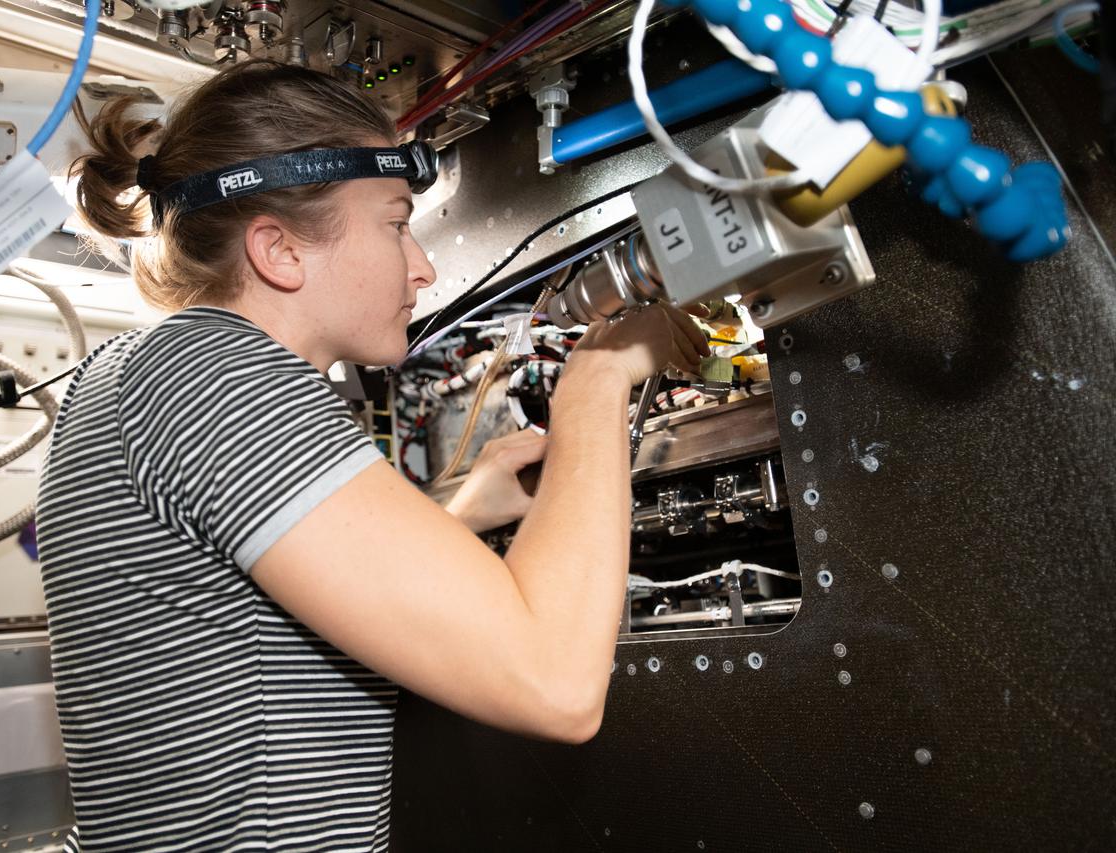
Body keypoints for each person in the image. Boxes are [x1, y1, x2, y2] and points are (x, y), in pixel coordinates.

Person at [37, 58, 707, 852]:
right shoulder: (216, 378)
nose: (422, 265)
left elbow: (257, 630)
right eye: (396, 223)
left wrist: (462, 513)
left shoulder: (122, 374)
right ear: (279, 251)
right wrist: (599, 377)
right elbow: (557, 681)